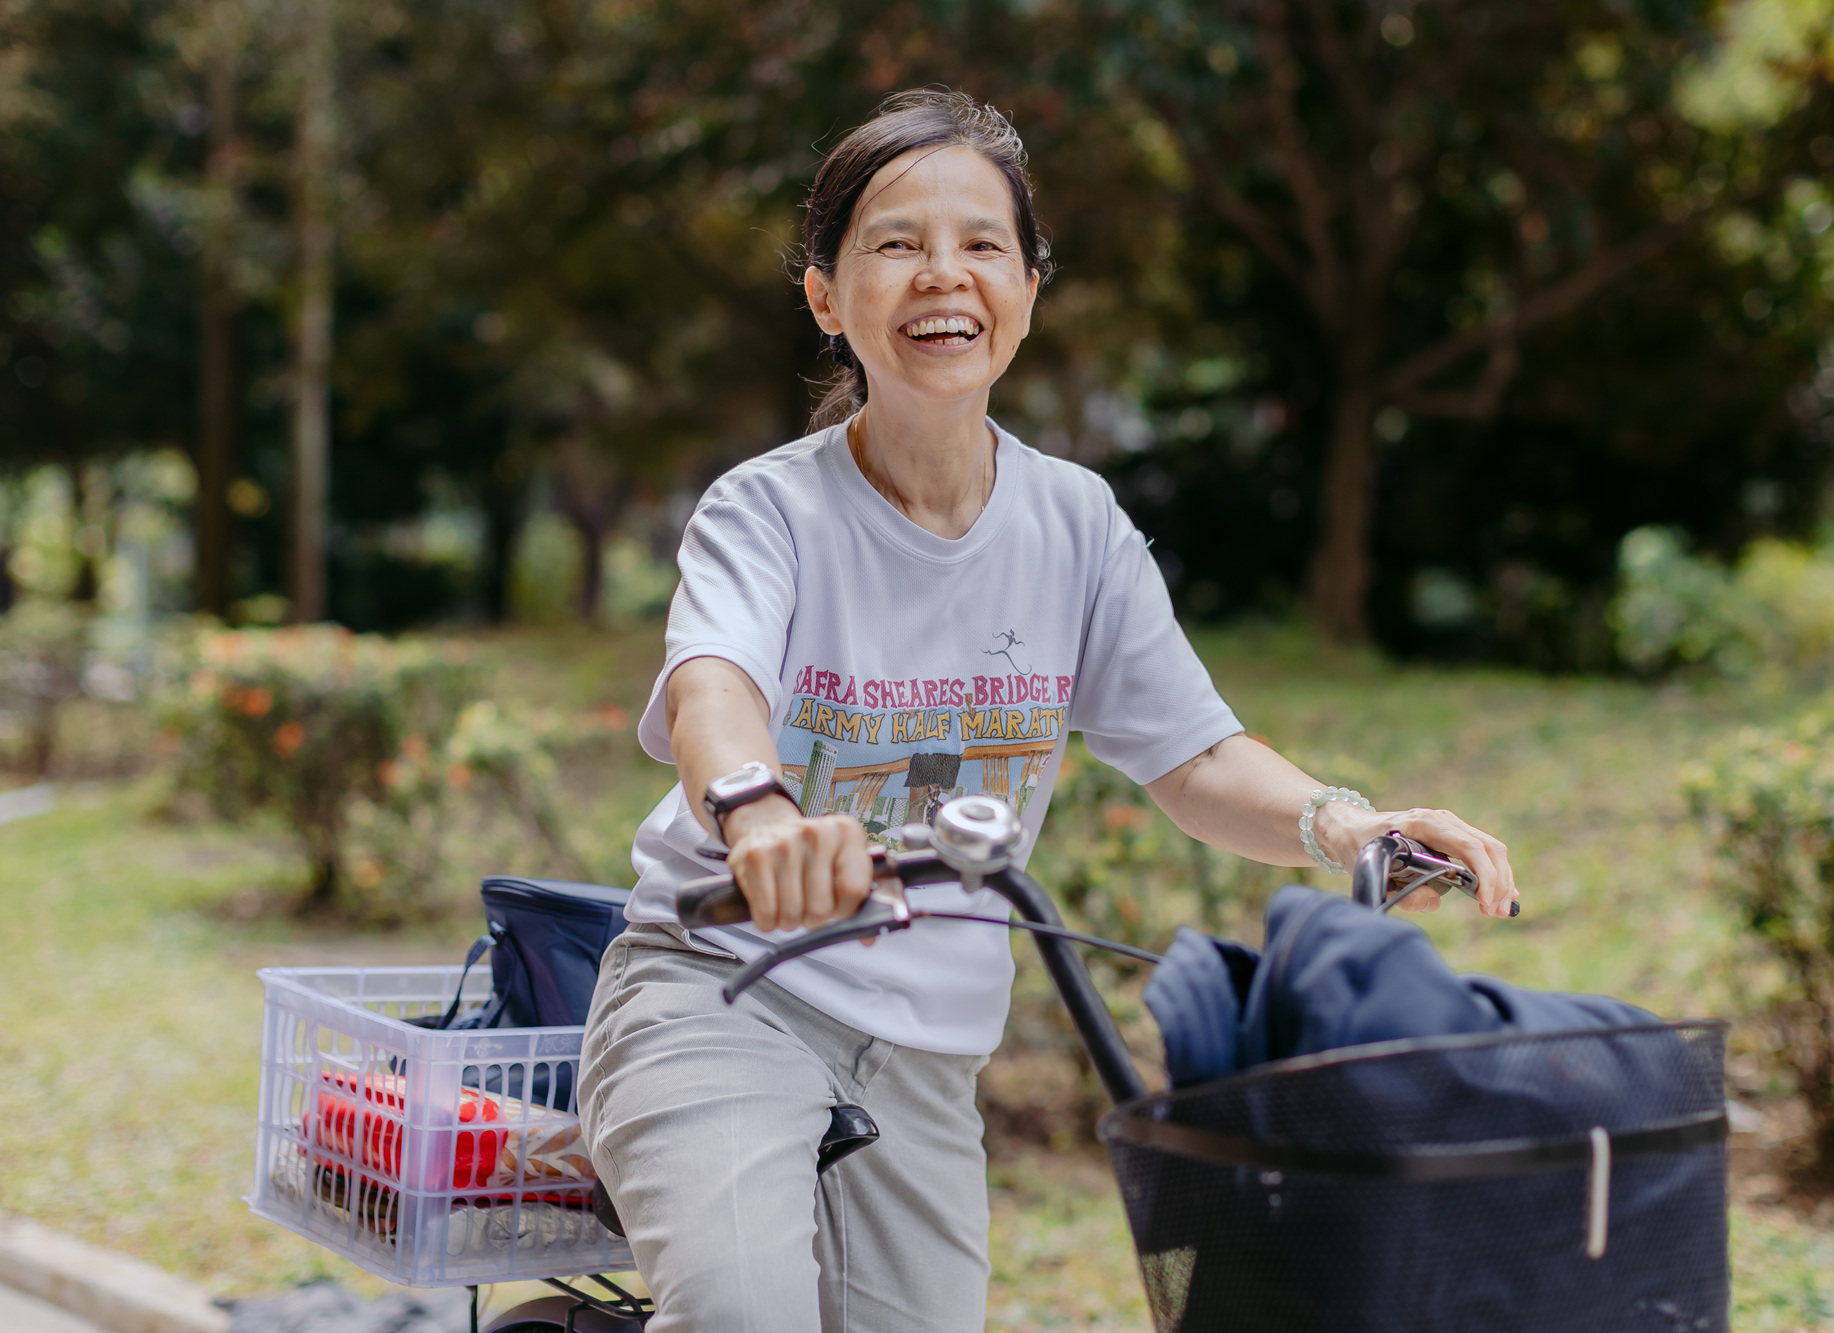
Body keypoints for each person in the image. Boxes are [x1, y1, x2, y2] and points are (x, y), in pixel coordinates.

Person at [578, 89, 1520, 1333]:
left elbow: (1192, 756)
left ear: (1027, 283)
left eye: (979, 242)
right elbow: (714, 687)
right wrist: (756, 814)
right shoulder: (768, 511)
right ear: (824, 294)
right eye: (894, 243)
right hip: (722, 992)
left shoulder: (1073, 524)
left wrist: (1343, 824)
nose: (941, 274)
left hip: (924, 1052)